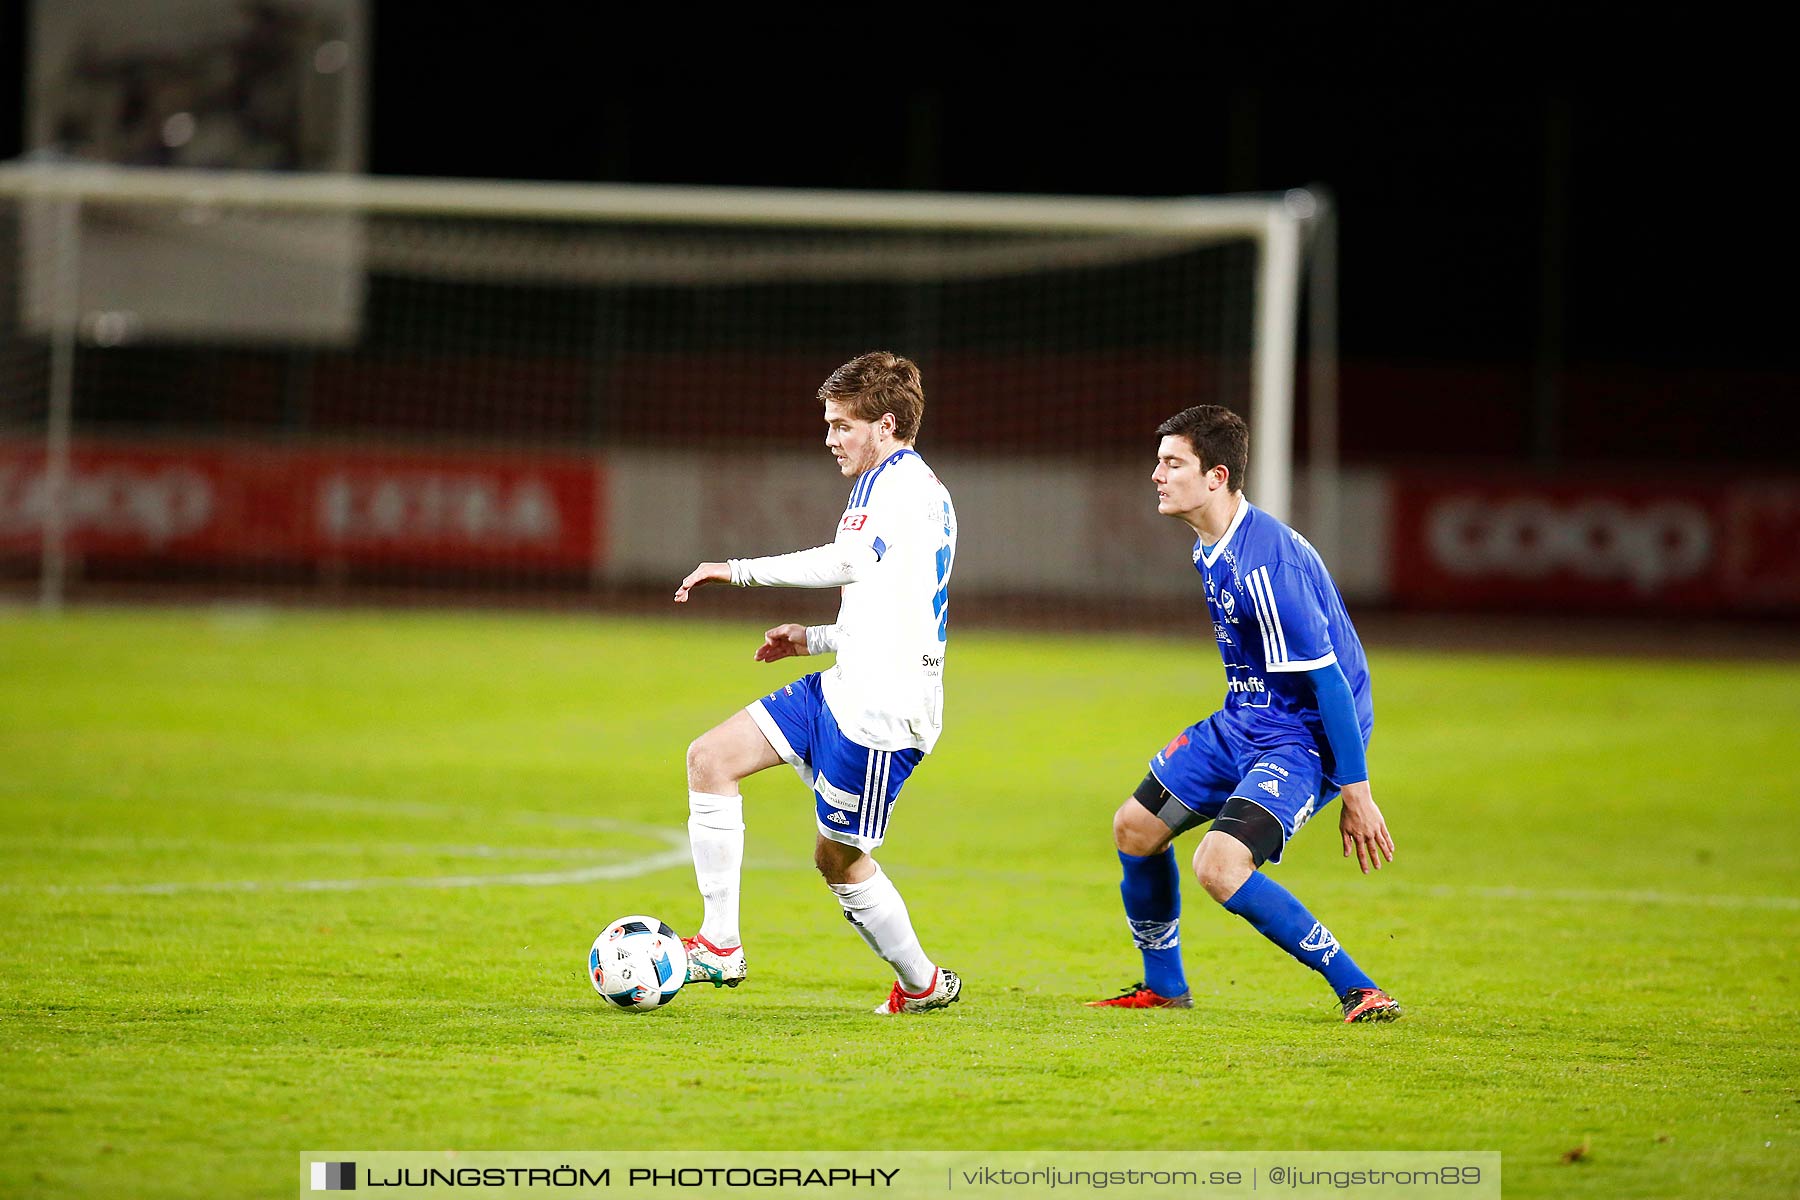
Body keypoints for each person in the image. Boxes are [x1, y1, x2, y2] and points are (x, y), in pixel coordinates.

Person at [1088, 404, 1401, 1023]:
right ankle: (1164, 987)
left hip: (1301, 739)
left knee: (1219, 864)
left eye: (1173, 463)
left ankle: (1362, 989)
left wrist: (1356, 791)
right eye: (1158, 461)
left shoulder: (1265, 566)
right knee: (1134, 828)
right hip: (1246, 719)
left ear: (1217, 476)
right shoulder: (1215, 541)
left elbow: (1332, 684)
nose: (1157, 474)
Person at [672, 351, 961, 1015]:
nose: (829, 438)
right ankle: (720, 945)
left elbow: (850, 562)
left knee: (837, 861)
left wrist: (733, 569)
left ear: (884, 425)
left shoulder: (901, 490)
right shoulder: (900, 484)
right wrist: (817, 637)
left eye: (841, 426)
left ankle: (921, 982)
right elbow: (898, 603)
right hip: (845, 682)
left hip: (883, 715)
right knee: (710, 758)